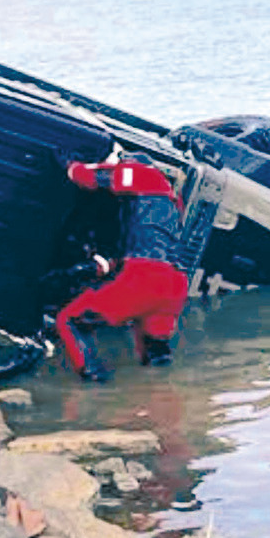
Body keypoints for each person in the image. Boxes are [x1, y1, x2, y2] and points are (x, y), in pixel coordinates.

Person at [55, 153, 189, 382]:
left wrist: (67, 163)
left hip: (144, 278)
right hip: (175, 284)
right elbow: (143, 239)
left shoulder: (139, 173)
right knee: (156, 355)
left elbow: (87, 177)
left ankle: (94, 391)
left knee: (71, 320)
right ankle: (161, 404)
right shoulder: (172, 200)